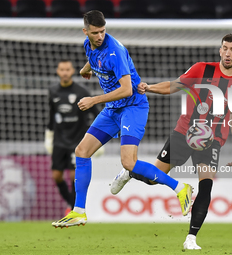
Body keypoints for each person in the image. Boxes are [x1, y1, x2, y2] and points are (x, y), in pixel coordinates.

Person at [51, 10, 193, 228]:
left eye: (102, 31)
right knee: (82, 151)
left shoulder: (114, 51)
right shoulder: (88, 45)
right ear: (85, 31)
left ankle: (180, 189)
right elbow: (92, 57)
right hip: (113, 109)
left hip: (132, 107)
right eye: (95, 32)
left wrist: (93, 100)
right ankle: (78, 211)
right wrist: (85, 69)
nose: (99, 36)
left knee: (128, 162)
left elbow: (127, 90)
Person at [111, 34, 232, 250]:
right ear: (220, 50)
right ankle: (130, 172)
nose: (228, 53)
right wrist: (149, 87)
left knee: (206, 186)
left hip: (211, 141)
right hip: (184, 133)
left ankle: (191, 238)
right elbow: (173, 86)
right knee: (154, 178)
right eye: (225, 48)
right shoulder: (201, 69)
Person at [45, 59, 102, 214]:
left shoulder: (82, 92)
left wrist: (98, 137)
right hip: (59, 140)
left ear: (72, 71)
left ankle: (73, 209)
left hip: (77, 140)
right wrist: (48, 135)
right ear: (58, 72)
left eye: (67, 69)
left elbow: (96, 114)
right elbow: (52, 115)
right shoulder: (53, 91)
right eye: (62, 69)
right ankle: (72, 206)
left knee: (73, 175)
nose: (64, 72)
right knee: (56, 176)